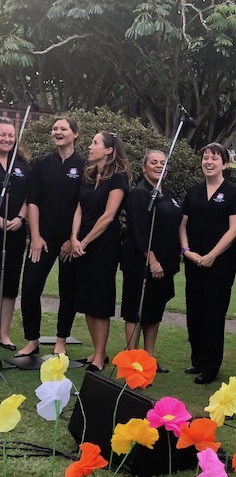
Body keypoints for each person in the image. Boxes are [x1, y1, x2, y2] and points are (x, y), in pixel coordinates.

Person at [17, 116, 85, 357]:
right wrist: (35, 237)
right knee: (30, 286)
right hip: (42, 238)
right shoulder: (42, 163)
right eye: (55, 128)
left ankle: (61, 340)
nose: (57, 132)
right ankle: (32, 340)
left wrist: (73, 239)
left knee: (68, 291)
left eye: (63, 128)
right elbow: (33, 202)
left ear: (75, 134)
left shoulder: (84, 166)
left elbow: (84, 205)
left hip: (69, 241)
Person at [178, 143, 236, 385]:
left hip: (221, 263)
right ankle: (197, 359)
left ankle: (210, 365)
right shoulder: (194, 191)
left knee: (213, 311)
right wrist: (186, 251)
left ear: (224, 164)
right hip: (194, 260)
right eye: (205, 157)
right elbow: (182, 224)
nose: (209, 162)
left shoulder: (233, 193)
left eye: (214, 158)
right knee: (194, 309)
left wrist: (212, 255)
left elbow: (234, 229)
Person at [70, 131, 130, 372]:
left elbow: (108, 216)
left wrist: (83, 242)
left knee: (100, 299)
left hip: (104, 246)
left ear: (108, 150)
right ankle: (99, 352)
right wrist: (74, 237)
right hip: (81, 242)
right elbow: (79, 209)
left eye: (95, 143)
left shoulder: (118, 178)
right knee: (86, 299)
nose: (90, 146)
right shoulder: (88, 175)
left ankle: (99, 356)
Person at [120, 150, 182, 373]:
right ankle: (132, 360)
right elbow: (139, 231)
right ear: (144, 167)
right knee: (135, 311)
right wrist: (152, 261)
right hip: (142, 263)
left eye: (163, 163)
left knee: (154, 312)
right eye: (153, 162)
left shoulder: (169, 194)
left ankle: (149, 358)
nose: (158, 166)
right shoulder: (140, 193)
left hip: (166, 264)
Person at [0, 117, 29, 353]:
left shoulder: (21, 164)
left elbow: (31, 196)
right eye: (3, 134)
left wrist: (20, 217)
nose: (7, 139)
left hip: (15, 232)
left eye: (11, 135)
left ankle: (4, 333)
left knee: (9, 285)